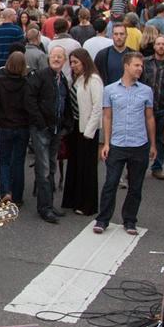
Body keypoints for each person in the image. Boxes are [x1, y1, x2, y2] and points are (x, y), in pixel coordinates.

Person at [94, 51, 156, 236]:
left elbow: (150, 118)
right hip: (117, 144)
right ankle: (103, 219)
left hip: (139, 144)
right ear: (126, 66)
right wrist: (105, 143)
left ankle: (130, 220)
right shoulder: (110, 90)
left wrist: (153, 144)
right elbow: (107, 116)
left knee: (135, 186)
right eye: (137, 65)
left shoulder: (146, 91)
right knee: (110, 183)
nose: (140, 68)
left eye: (141, 66)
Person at [26, 46, 74, 224]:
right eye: (54, 56)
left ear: (64, 60)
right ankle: (44, 208)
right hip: (42, 130)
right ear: (49, 58)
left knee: (52, 168)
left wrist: (66, 125)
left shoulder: (62, 80)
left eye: (60, 57)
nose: (56, 59)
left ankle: (49, 204)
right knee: (44, 170)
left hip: (56, 130)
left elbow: (66, 102)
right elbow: (30, 101)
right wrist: (41, 123)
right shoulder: (39, 76)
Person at [61, 49, 103, 217]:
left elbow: (97, 107)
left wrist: (89, 132)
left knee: (87, 168)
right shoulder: (76, 79)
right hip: (75, 128)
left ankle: (87, 205)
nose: (73, 66)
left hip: (87, 130)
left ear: (84, 62)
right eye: (71, 62)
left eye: (75, 62)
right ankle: (72, 200)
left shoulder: (94, 80)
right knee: (74, 165)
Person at [0, 50, 30, 206]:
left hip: (4, 124)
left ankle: (6, 191)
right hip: (22, 126)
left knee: (4, 160)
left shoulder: (0, 80)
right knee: (18, 161)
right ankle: (17, 195)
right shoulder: (26, 83)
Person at [141, 35, 164, 180]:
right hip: (145, 106)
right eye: (158, 44)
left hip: (163, 106)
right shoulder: (145, 62)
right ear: (154, 46)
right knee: (142, 138)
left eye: (163, 44)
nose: (161, 47)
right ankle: (138, 167)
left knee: (161, 139)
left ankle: (157, 167)